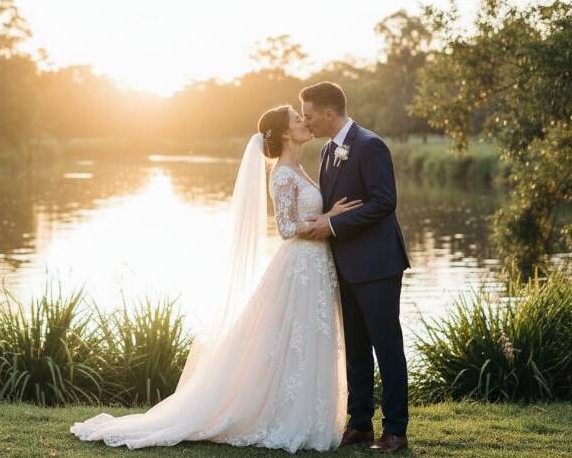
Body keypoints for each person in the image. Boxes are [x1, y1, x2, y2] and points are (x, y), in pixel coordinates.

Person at [70, 105, 360, 452]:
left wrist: (328, 219)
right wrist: (329, 217)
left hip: (315, 265)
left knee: (308, 337)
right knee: (294, 337)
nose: (305, 122)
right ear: (284, 133)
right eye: (298, 120)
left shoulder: (298, 167)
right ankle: (279, 415)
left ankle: (307, 414)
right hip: (299, 265)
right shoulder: (282, 174)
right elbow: (285, 229)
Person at [298, 81, 410, 453]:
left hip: (377, 264)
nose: (306, 121)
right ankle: (359, 423)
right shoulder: (328, 151)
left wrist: (330, 226)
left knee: (387, 346)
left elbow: (384, 202)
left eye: (310, 115)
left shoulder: (370, 145)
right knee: (356, 349)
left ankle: (395, 429)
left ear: (329, 113)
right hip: (344, 264)